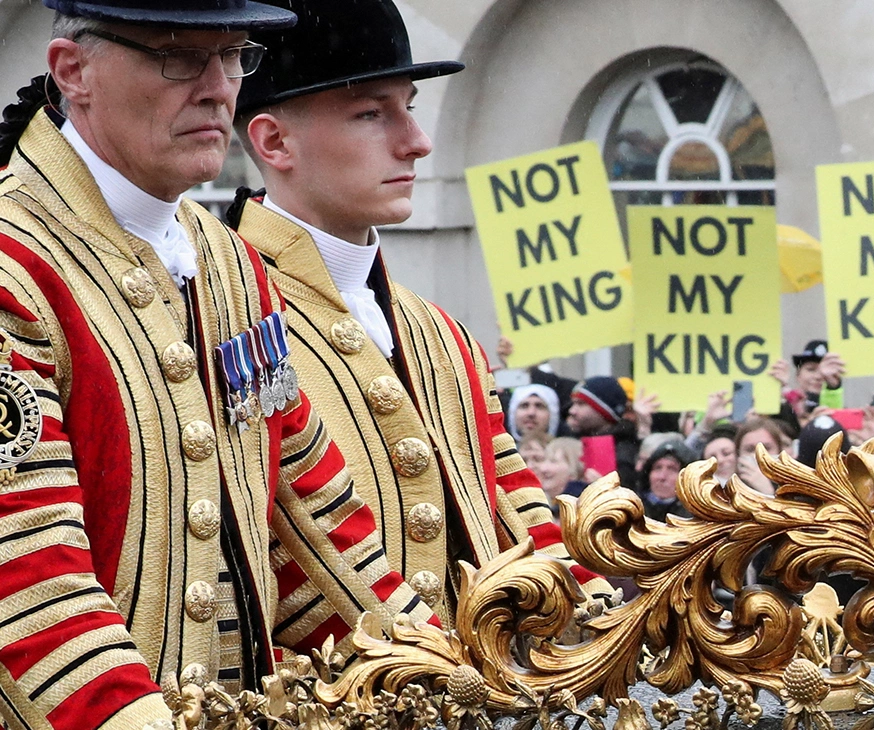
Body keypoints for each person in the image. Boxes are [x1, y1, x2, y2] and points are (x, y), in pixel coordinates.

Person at [0, 2, 438, 727]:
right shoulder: (14, 263)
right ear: (72, 71)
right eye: (178, 56)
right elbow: (26, 575)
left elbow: (317, 533)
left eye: (234, 55)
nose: (217, 87)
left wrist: (440, 677)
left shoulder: (232, 264)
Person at [229, 0, 612, 625]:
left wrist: (594, 616)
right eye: (371, 114)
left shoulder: (442, 333)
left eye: (408, 107)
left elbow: (520, 514)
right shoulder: (225, 320)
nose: (418, 142)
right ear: (274, 141)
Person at [565, 376, 641, 489]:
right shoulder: (577, 440)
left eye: (581, 404)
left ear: (604, 410)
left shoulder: (624, 450)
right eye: (573, 404)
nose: (572, 411)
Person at [641, 441, 696, 522]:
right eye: (657, 468)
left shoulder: (696, 518)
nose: (662, 477)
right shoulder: (633, 513)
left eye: (672, 469)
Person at [734, 416, 789, 495]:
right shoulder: (727, 493)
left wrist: (768, 493)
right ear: (738, 454)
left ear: (779, 451)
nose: (758, 455)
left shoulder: (793, 490)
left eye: (766, 448)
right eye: (750, 449)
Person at [536, 437, 593, 509]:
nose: (543, 468)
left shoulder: (581, 507)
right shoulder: (537, 502)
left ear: (574, 469)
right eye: (542, 460)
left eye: (553, 461)